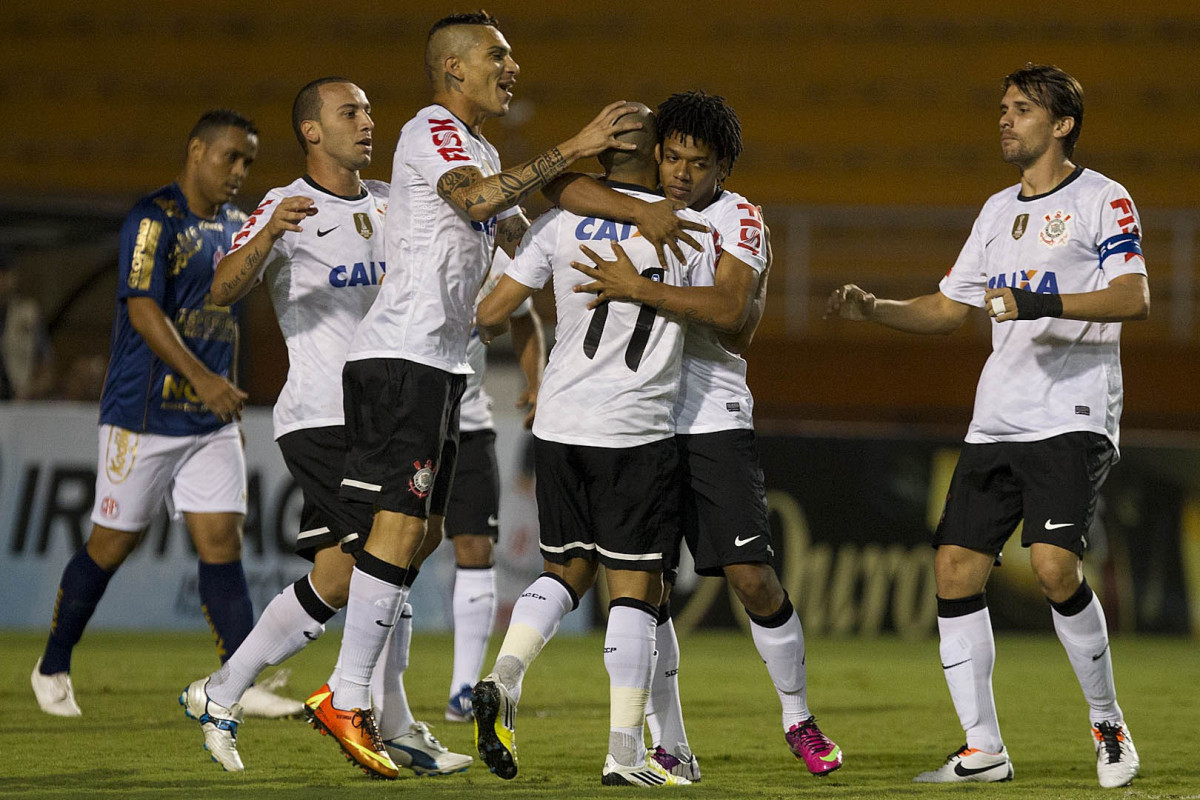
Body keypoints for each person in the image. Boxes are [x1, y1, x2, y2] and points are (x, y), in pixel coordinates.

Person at [301, 11, 678, 781]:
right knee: (396, 533)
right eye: (496, 57)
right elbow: (475, 203)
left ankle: (385, 709)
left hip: (440, 366)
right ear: (452, 72)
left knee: (422, 535)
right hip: (400, 356)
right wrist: (572, 146)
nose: (513, 68)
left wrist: (635, 212)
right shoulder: (432, 130)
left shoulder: (482, 148)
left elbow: (529, 225)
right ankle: (345, 695)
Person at [826, 64, 1146, 789]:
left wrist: (1040, 305)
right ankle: (983, 750)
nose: (1005, 119)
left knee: (1055, 567)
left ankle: (1108, 723)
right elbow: (949, 308)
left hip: (1072, 412)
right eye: (1002, 108)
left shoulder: (1104, 198)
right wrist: (872, 308)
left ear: (1061, 125)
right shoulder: (996, 209)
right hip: (997, 419)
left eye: (1022, 109)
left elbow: (1133, 297)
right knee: (954, 569)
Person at [177, 78, 470, 777]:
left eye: (370, 110)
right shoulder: (283, 206)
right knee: (393, 544)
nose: (368, 122)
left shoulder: (395, 206)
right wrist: (270, 235)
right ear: (312, 130)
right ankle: (375, 714)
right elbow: (220, 287)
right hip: (322, 414)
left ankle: (220, 691)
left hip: (392, 406)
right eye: (350, 112)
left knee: (352, 571)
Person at [556, 90, 842, 780]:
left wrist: (639, 289)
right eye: (673, 156)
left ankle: (797, 716)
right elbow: (564, 188)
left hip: (710, 413)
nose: (682, 172)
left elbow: (726, 309)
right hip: (634, 417)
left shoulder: (737, 218)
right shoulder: (635, 205)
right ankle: (672, 744)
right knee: (643, 584)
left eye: (699, 162)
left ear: (724, 169)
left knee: (751, 576)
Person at [471, 102, 717, 788]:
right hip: (633, 427)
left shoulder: (556, 223)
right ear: (659, 155)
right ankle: (625, 754)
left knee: (566, 570)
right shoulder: (687, 232)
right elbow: (723, 320)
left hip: (559, 423)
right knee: (637, 591)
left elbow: (491, 314)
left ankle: (505, 674)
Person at [30, 109, 297, 720]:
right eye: (230, 156)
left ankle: (238, 679)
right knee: (111, 545)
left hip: (208, 420)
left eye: (249, 161)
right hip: (143, 412)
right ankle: (52, 663)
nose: (239, 171)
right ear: (196, 150)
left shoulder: (237, 223)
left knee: (221, 542)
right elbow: (144, 310)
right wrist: (204, 378)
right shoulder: (154, 219)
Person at [443, 246, 544, 724]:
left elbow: (524, 317)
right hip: (410, 418)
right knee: (401, 547)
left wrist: (535, 382)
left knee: (477, 545)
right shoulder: (405, 235)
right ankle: (366, 685)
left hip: (470, 418)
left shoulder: (496, 255)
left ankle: (463, 689)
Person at [0, 248, 55, 400]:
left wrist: (29, 391)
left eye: (5, 273)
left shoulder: (27, 314)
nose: (2, 279)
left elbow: (47, 370)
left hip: (15, 401)